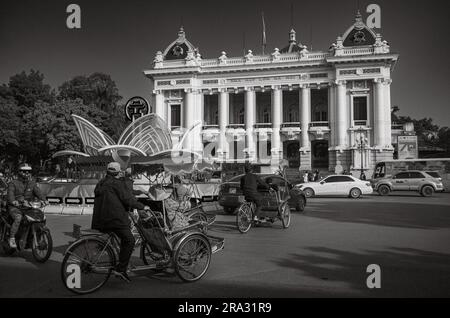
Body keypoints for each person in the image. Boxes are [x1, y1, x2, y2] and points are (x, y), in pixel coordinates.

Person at [91, 162, 150, 283]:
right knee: (130, 240)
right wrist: (142, 207)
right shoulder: (117, 183)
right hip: (115, 219)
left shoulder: (100, 183)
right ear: (118, 172)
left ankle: (119, 261)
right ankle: (121, 269)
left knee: (122, 239)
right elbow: (127, 199)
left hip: (100, 219)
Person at [6, 163, 47, 249]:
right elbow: (10, 194)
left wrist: (44, 200)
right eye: (24, 171)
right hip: (15, 207)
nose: (27, 173)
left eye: (28, 171)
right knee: (18, 218)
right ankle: (12, 238)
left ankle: (38, 237)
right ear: (19, 172)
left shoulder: (32, 183)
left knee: (41, 217)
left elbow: (38, 192)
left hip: (28, 207)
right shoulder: (13, 183)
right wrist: (14, 201)